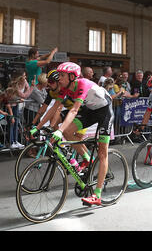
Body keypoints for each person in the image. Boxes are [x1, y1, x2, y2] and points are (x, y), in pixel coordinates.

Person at [32, 62, 114, 206]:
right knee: (69, 132)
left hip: (104, 111)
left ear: (72, 77)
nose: (59, 79)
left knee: (102, 153)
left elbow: (74, 110)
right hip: (90, 110)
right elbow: (53, 109)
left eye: (62, 76)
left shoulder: (82, 84)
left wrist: (59, 130)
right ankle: (88, 158)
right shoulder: (65, 88)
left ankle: (97, 195)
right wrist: (37, 126)